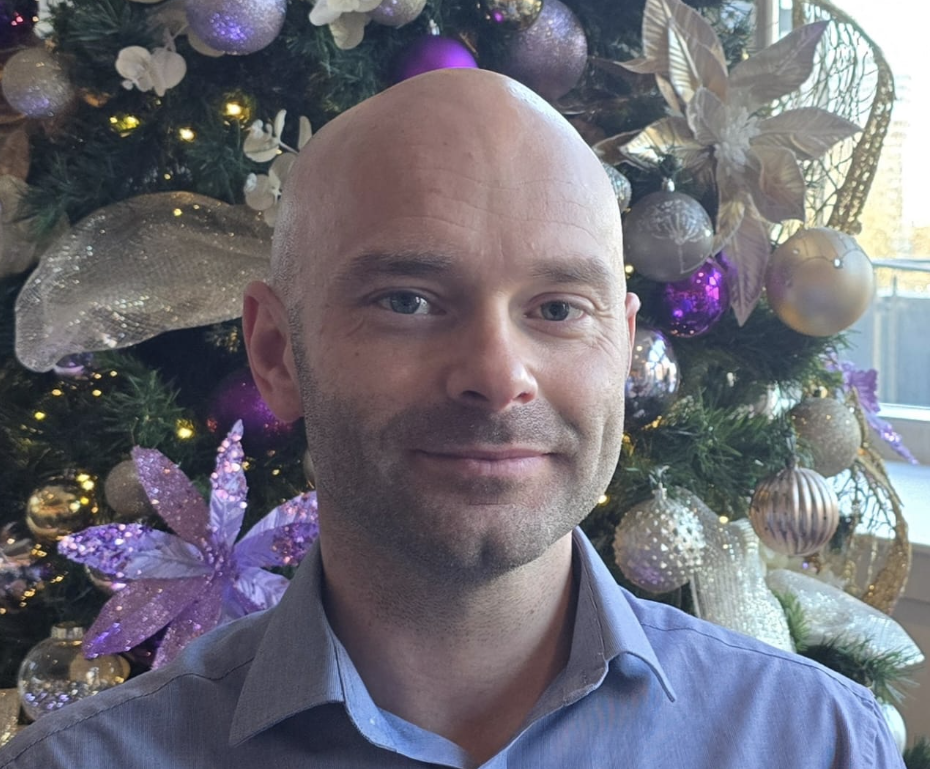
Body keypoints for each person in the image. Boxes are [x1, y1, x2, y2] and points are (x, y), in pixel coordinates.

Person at [0, 68, 903, 768]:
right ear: (276, 353)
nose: (499, 376)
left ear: (624, 349)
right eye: (407, 300)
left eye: (558, 308)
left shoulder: (816, 743)